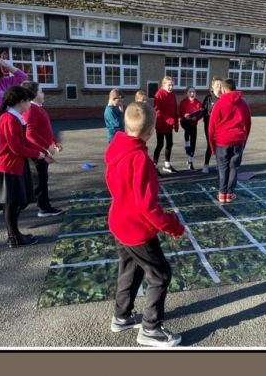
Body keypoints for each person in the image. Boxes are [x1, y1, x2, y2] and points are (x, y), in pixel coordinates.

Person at [105, 102, 185, 347]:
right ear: (150, 131)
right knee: (160, 275)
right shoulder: (140, 159)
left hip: (119, 222)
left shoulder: (116, 147)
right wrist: (173, 226)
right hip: (137, 229)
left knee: (130, 270)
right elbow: (147, 207)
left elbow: (112, 183)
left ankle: (121, 316)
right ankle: (150, 328)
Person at [0, 85, 53, 247]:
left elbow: (23, 141)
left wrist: (43, 152)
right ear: (21, 102)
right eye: (28, 101)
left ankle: (15, 234)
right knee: (12, 204)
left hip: (15, 166)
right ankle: (13, 237)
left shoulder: (15, 117)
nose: (30, 104)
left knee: (21, 200)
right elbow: (16, 147)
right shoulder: (9, 119)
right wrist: (38, 154)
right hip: (7, 167)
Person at [0, 54, 28, 211]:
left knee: (6, 163)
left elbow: (23, 76)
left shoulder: (4, 83)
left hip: (3, 130)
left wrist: (5, 64)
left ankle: (7, 194)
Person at [21, 81, 65, 218]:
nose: (43, 93)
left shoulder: (38, 108)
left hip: (42, 151)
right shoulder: (31, 109)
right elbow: (30, 133)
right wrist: (45, 150)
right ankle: (41, 208)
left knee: (42, 179)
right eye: (40, 91)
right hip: (37, 153)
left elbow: (44, 130)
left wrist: (54, 142)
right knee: (39, 181)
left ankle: (44, 204)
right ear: (33, 95)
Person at [207, 78, 251, 203]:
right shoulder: (243, 103)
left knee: (222, 167)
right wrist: (244, 140)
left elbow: (211, 127)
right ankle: (229, 194)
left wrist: (212, 146)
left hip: (222, 141)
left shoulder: (219, 104)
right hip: (238, 140)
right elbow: (248, 124)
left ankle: (222, 193)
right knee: (234, 167)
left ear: (224, 88)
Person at [152, 76, 179, 174]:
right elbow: (157, 111)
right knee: (160, 144)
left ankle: (167, 165)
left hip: (169, 125)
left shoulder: (172, 95)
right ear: (163, 85)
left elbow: (175, 108)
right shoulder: (159, 94)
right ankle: (154, 166)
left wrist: (176, 122)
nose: (171, 87)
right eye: (169, 85)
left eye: (172, 85)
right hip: (161, 124)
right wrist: (169, 119)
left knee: (169, 143)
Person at [199, 78, 222, 174]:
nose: (218, 86)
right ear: (212, 86)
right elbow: (203, 110)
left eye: (220, 84)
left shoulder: (223, 97)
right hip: (209, 125)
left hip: (220, 126)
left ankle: (219, 164)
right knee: (210, 145)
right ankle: (206, 164)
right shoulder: (208, 97)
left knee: (220, 145)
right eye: (216, 84)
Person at [178, 87, 203, 170]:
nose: (192, 93)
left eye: (193, 92)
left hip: (193, 123)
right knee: (188, 129)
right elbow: (181, 112)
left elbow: (200, 114)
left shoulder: (198, 103)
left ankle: (190, 161)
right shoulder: (183, 102)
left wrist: (196, 118)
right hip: (185, 121)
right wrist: (185, 115)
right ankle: (186, 145)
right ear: (187, 93)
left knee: (193, 142)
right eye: (190, 92)